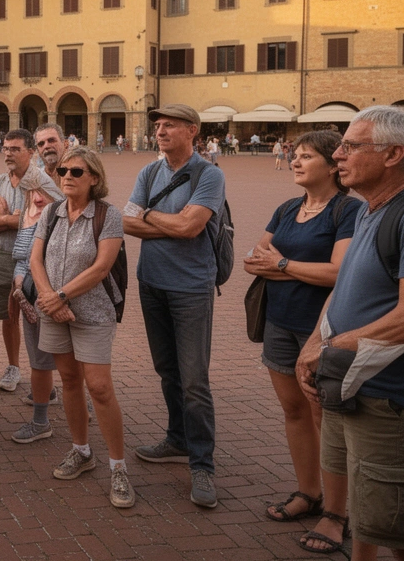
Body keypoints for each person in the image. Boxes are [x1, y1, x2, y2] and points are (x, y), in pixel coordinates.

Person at [296, 106, 404, 560]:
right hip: (353, 385)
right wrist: (315, 344)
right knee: (369, 512)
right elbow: (344, 289)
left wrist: (328, 348)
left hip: (393, 400)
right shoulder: (373, 209)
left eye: (351, 146)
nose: (338, 157)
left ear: (393, 154)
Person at [243, 130, 361, 553]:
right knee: (294, 410)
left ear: (333, 165)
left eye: (306, 156)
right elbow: (255, 260)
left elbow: (339, 274)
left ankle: (337, 513)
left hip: (322, 330)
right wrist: (286, 266)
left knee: (324, 419)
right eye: (294, 155)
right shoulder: (288, 208)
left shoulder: (347, 211)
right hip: (278, 321)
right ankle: (309, 493)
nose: (295, 161)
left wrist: (283, 264)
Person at [122, 103, 226, 508]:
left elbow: (191, 226)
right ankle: (178, 439)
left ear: (192, 131)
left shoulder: (208, 174)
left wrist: (150, 215)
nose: (161, 131)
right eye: (159, 126)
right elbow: (125, 222)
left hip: (191, 289)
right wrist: (166, 220)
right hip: (152, 283)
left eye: (170, 126)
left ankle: (203, 465)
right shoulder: (149, 171)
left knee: (194, 379)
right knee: (167, 369)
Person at [25, 147, 133, 508]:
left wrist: (61, 296)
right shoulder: (52, 212)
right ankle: (81, 451)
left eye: (76, 172)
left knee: (99, 387)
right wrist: (48, 298)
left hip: (93, 312)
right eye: (64, 171)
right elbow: (34, 258)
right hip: (53, 311)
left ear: (94, 179)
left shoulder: (108, 215)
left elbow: (102, 267)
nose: (67, 176)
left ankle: (118, 467)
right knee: (69, 381)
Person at [0, 129, 62, 395]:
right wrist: (1, 219)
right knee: (8, 314)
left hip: (32, 260)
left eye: (15, 149)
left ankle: (44, 380)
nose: (8, 153)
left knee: (36, 318)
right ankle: (13, 367)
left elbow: (53, 214)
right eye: (6, 148)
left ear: (31, 152)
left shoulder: (38, 180)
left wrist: (5, 220)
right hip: (1, 253)